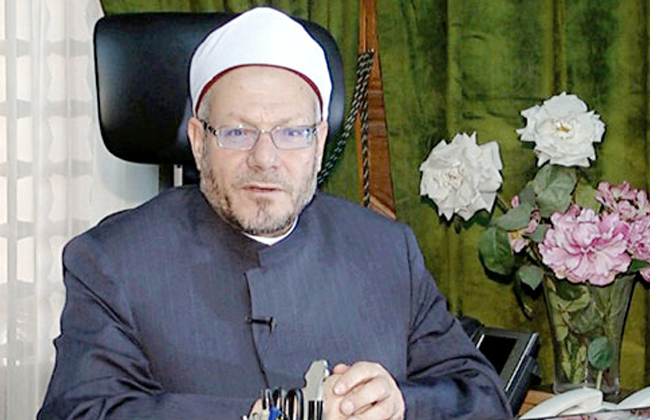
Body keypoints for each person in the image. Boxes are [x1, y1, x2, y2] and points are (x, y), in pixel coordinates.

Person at [38, 7, 512, 420]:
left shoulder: (387, 251)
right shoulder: (113, 260)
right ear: (199, 142)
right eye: (238, 133)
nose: (264, 159)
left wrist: (402, 404)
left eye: (291, 133)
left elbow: (484, 398)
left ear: (319, 143)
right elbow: (79, 411)